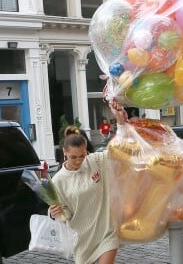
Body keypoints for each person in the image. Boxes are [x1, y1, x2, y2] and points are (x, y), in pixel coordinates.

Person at [49, 100, 126, 264]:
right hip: (82, 238)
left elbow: (118, 148)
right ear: (64, 153)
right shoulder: (58, 180)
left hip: (107, 231)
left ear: (86, 151)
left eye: (82, 155)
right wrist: (55, 212)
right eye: (73, 157)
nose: (79, 161)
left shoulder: (96, 161)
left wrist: (120, 120)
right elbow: (66, 213)